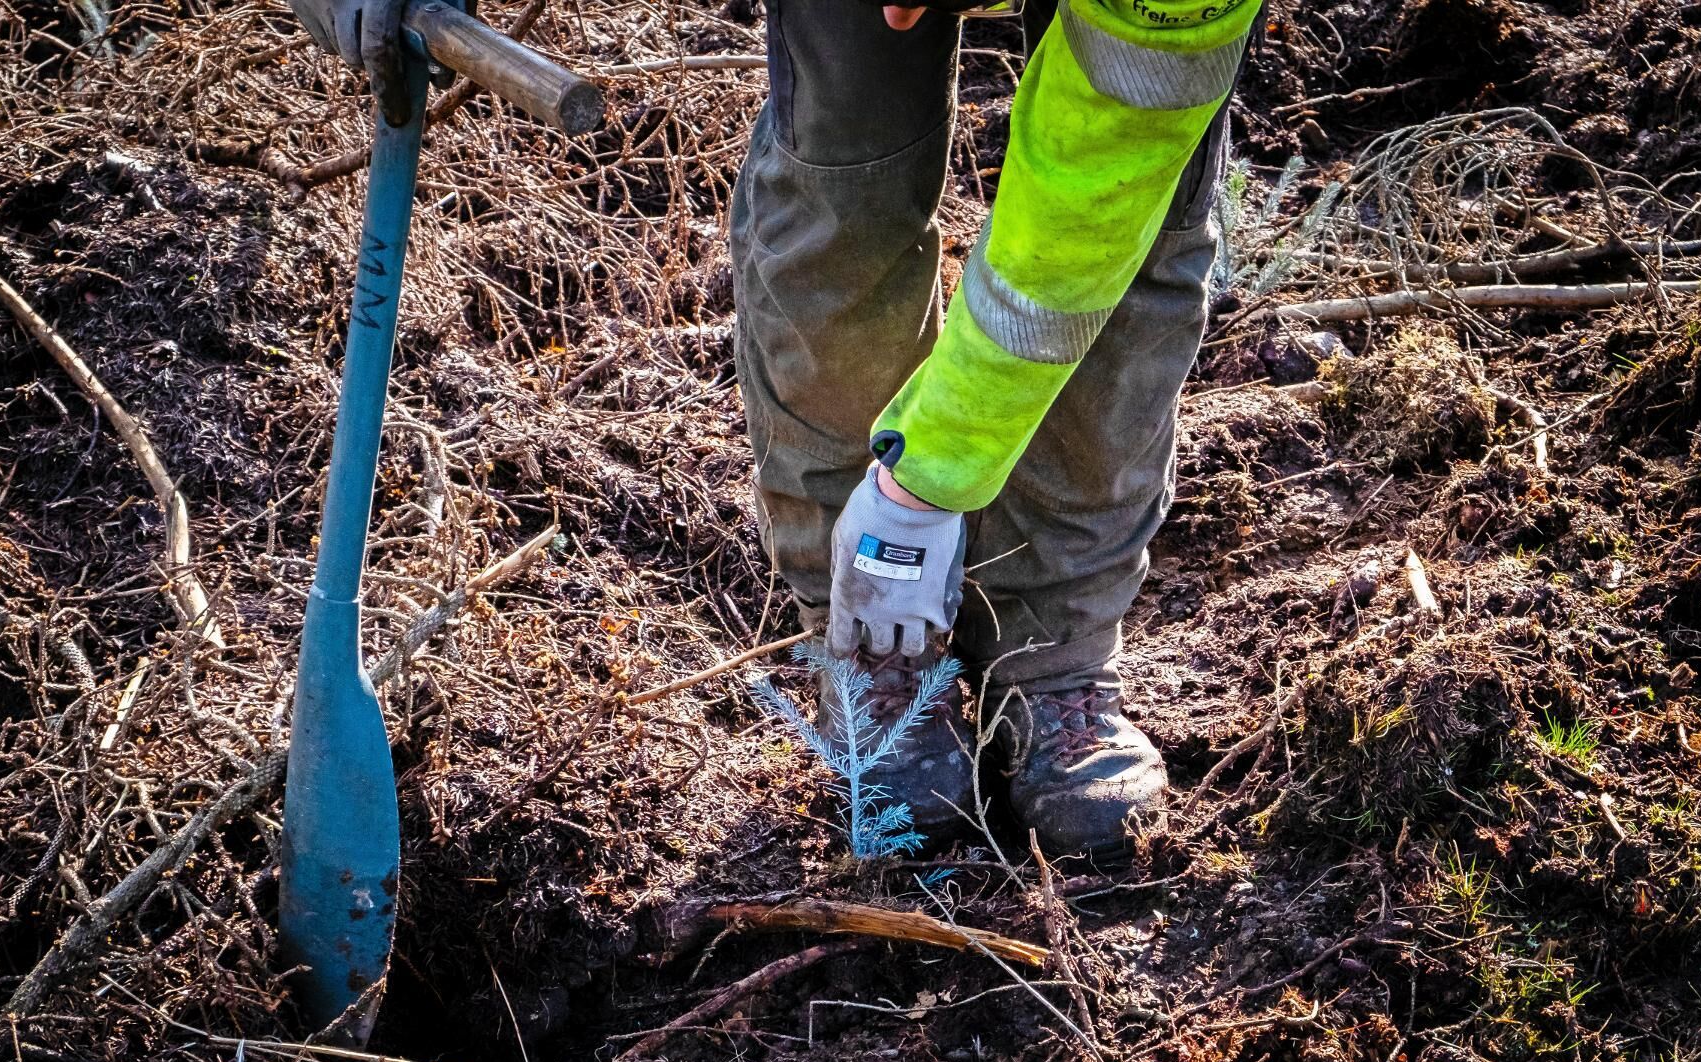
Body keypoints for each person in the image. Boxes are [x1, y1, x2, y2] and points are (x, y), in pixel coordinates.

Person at [285, 0, 1258, 860]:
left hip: (1151, 31)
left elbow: (1086, 224)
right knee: (845, 188)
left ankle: (1053, 654)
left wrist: (928, 476)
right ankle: (874, 649)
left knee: (1136, 241)